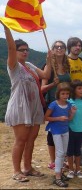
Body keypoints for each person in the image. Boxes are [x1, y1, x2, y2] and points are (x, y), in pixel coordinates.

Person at [2, 23, 51, 183]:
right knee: (21, 139)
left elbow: (45, 74)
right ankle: (17, 171)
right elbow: (10, 48)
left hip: (33, 106)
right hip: (20, 106)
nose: (25, 52)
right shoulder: (13, 66)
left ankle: (28, 168)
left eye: (27, 49)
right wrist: (7, 29)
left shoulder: (29, 65)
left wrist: (49, 60)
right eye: (21, 49)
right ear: (15, 52)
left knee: (31, 139)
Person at [41, 40, 71, 170]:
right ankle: (53, 161)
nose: (59, 49)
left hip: (65, 102)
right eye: (56, 47)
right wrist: (53, 84)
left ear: (65, 49)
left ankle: (61, 158)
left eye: (62, 47)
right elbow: (42, 89)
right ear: (52, 50)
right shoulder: (48, 67)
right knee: (53, 131)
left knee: (63, 128)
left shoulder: (67, 66)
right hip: (53, 103)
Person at [45, 82, 77, 187]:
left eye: (67, 94)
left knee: (63, 152)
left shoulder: (68, 105)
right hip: (56, 130)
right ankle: (57, 177)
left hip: (65, 130)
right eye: (63, 94)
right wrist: (58, 118)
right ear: (58, 94)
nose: (65, 96)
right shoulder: (54, 104)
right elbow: (46, 117)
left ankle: (61, 173)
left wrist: (72, 113)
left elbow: (69, 119)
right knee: (59, 152)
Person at [66, 80, 82, 179]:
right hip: (70, 128)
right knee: (70, 150)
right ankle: (71, 170)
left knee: (78, 150)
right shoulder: (69, 101)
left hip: (81, 128)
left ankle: (78, 169)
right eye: (79, 88)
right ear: (74, 90)